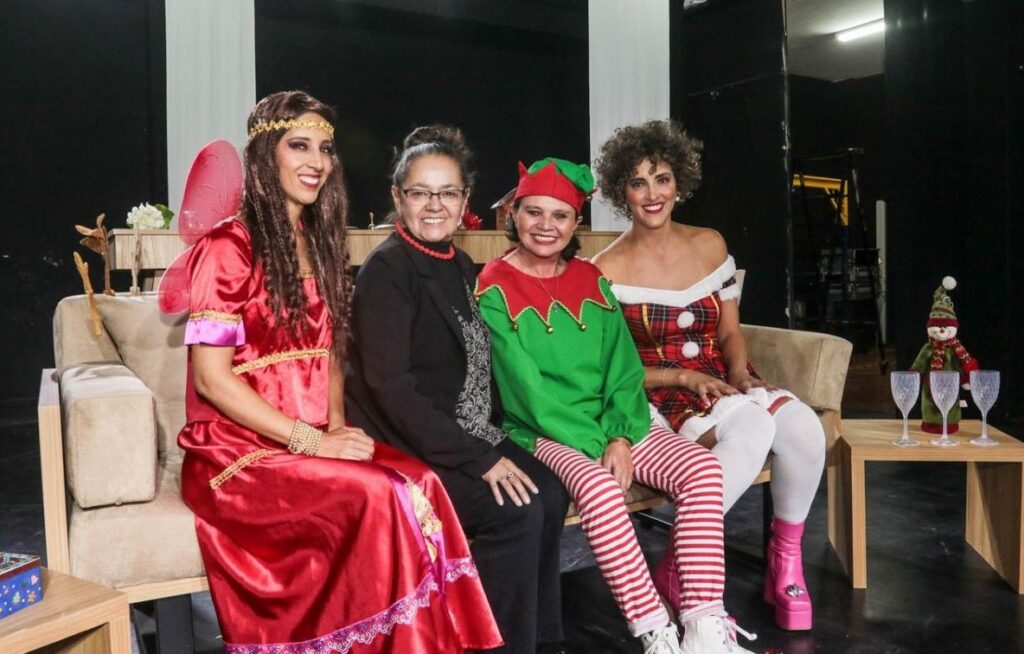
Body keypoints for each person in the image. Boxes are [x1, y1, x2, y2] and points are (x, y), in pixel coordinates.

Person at [177, 92, 501, 653]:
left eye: (325, 149)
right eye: (299, 146)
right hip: (238, 452)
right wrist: (312, 443)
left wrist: (333, 427)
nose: (317, 162)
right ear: (265, 154)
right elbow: (211, 379)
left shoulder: (318, 241)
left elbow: (329, 354)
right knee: (380, 495)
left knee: (423, 482)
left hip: (308, 437)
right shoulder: (228, 246)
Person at [475, 158, 757, 654]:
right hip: (546, 432)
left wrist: (622, 436)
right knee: (601, 488)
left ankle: (702, 625)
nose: (546, 226)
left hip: (615, 423)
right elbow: (525, 392)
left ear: (575, 223)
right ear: (513, 216)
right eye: (534, 212)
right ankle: (655, 631)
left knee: (702, 471)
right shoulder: (494, 286)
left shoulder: (592, 279)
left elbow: (623, 369)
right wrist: (598, 443)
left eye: (560, 215)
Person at [592, 120, 826, 632]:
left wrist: (741, 374)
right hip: (661, 392)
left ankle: (784, 564)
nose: (652, 194)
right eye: (638, 183)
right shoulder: (603, 270)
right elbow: (612, 369)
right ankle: (682, 563)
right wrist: (680, 377)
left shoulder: (711, 244)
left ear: (680, 181)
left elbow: (730, 333)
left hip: (721, 379)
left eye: (662, 179)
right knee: (753, 428)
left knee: (805, 428)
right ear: (621, 191)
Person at [345, 126, 570, 654]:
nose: (434, 206)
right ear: (398, 196)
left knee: (551, 491)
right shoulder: (386, 271)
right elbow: (390, 388)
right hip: (408, 443)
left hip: (464, 429)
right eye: (420, 192)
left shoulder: (460, 263)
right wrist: (479, 458)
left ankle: (541, 641)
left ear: (465, 201)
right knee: (514, 511)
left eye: (447, 193)